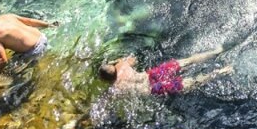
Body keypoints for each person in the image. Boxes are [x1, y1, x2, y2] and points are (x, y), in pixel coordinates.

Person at [98, 46, 231, 95]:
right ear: (113, 67)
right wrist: (116, 61)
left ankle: (222, 71)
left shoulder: (116, 87)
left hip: (154, 88)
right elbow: (134, 59)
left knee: (192, 82)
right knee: (187, 61)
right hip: (152, 74)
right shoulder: (122, 64)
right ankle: (216, 51)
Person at [0, 10, 56, 76]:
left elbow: (2, 60)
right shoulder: (7, 16)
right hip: (42, 37)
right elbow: (29, 21)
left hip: (35, 50)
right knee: (15, 59)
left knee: (12, 73)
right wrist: (48, 25)